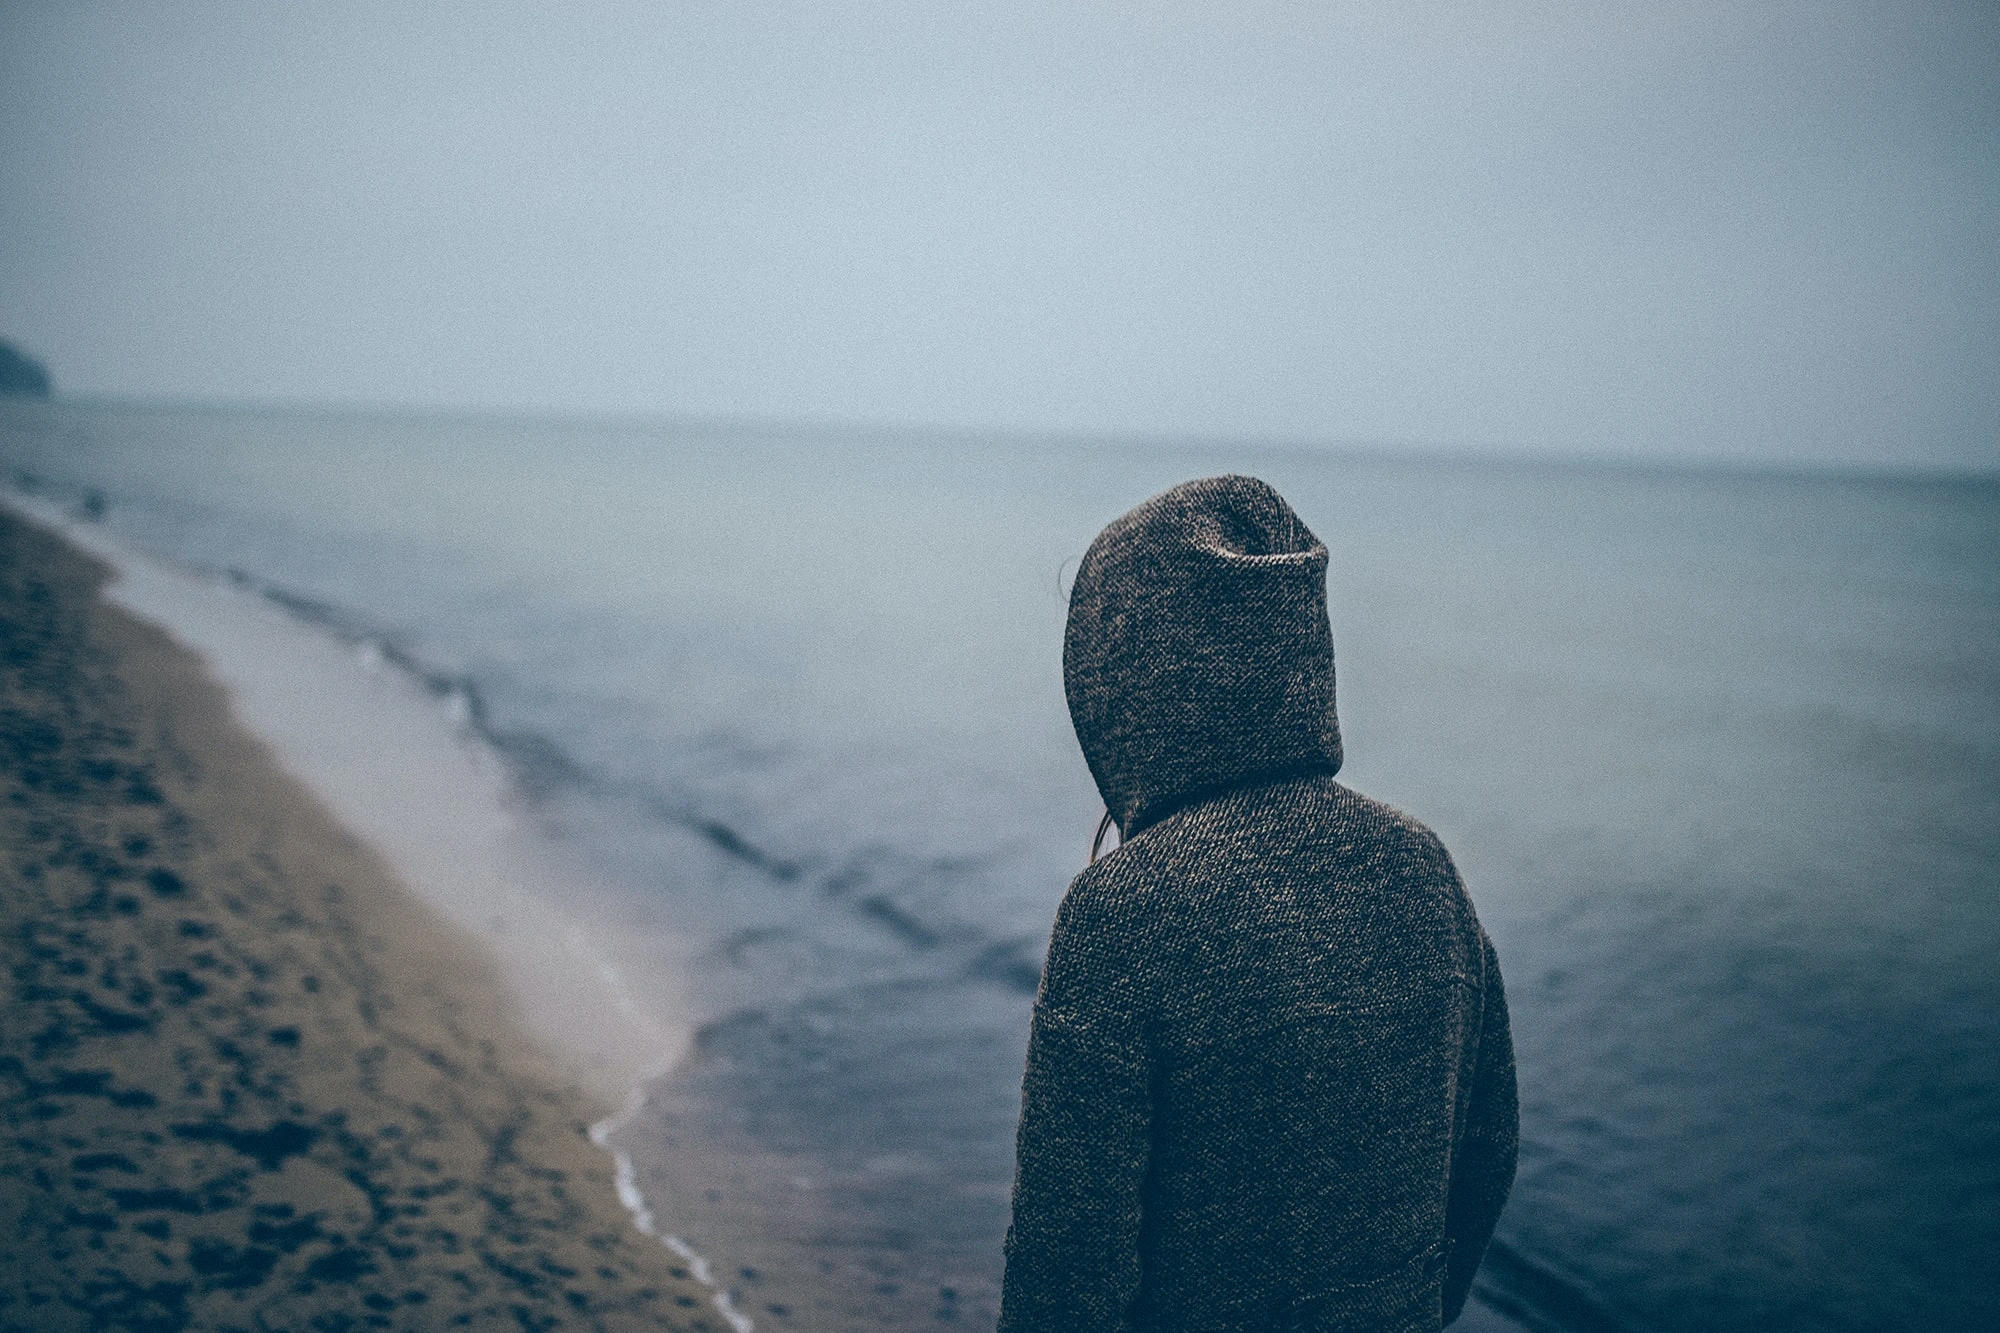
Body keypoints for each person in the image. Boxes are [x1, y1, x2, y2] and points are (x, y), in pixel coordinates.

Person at [999, 475, 1517, 1333]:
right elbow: (1488, 1156)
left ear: (1122, 681)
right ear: (1300, 649)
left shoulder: (1125, 913)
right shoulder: (1423, 867)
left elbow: (1066, 1268)